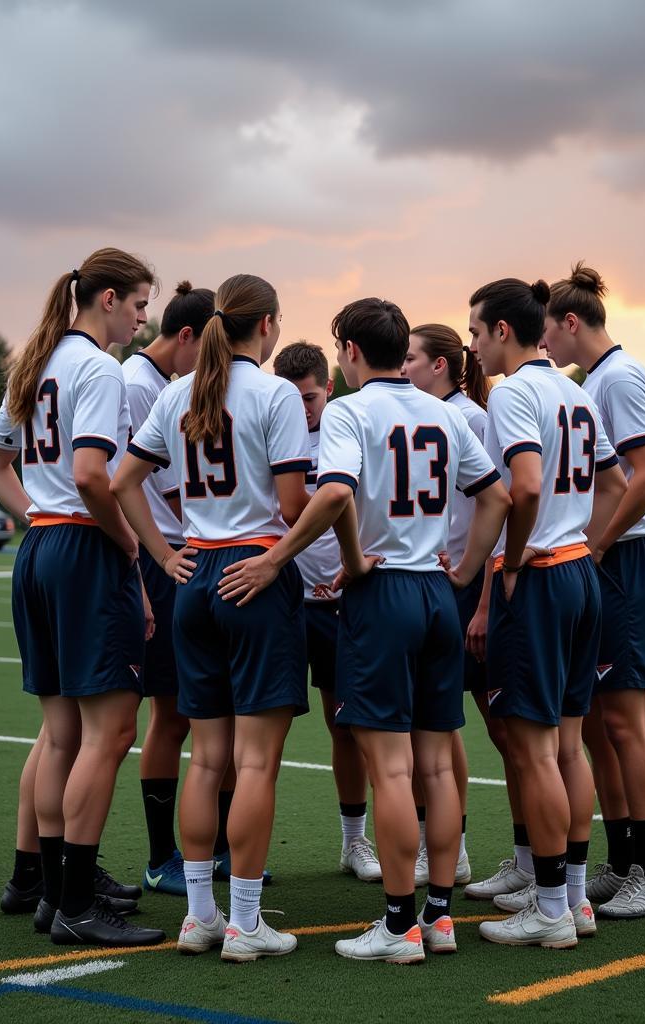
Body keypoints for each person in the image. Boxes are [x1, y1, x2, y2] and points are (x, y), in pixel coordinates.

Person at [218, 297, 511, 963]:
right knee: (437, 763)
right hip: (437, 592)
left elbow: (335, 492)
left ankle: (400, 925)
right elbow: (496, 495)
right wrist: (464, 572)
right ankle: (437, 917)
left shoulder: (350, 409)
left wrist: (285, 559)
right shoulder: (442, 409)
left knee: (392, 767)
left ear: (349, 351)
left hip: (382, 595)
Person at [113, 273, 310, 963]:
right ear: (267, 324)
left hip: (196, 576)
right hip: (253, 575)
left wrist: (164, 554)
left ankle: (200, 916)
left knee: (207, 761)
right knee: (255, 763)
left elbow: (121, 481)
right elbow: (291, 505)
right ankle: (246, 923)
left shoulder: (177, 390)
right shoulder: (275, 392)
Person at [0, 247, 165, 947]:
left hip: (41, 550)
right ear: (109, 298)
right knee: (111, 732)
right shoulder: (98, 368)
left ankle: (55, 894)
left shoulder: (39, 359)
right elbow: (93, 475)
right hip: (84, 550)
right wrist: (126, 543)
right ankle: (78, 905)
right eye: (140, 304)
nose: (143, 319)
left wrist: (35, 513)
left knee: (62, 734)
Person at [467, 276, 626, 950]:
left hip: (539, 579)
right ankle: (576, 901)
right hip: (579, 576)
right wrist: (582, 544)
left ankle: (554, 909)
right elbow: (616, 484)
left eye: (476, 332)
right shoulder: (575, 390)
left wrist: (516, 552)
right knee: (566, 743)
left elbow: (524, 485)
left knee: (534, 752)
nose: (473, 346)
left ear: (504, 330)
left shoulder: (515, 394)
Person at [542, 262, 645, 921]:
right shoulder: (594, 381)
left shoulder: (617, 378)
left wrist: (595, 544)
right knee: (595, 723)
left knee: (624, 721)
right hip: (603, 560)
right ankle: (622, 862)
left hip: (624, 559)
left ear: (571, 323)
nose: (545, 347)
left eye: (549, 333)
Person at [273, 341, 382, 884]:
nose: (302, 409)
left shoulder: (347, 426)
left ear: (329, 387)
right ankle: (230, 848)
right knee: (262, 726)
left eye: (310, 397)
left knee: (349, 725)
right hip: (287, 596)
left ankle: (354, 840)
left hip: (344, 598)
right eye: (292, 400)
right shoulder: (273, 428)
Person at [122, 281, 214, 897]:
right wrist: (147, 565)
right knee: (170, 713)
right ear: (187, 338)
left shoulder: (163, 382)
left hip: (183, 552)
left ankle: (211, 845)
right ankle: (161, 857)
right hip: (160, 557)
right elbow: (115, 482)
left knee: (193, 711)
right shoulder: (134, 383)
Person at [402, 323, 496, 888]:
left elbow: (496, 505)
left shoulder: (470, 418)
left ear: (441, 365)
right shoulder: (429, 414)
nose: (404, 366)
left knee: (458, 723)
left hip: (460, 583)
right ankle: (446, 843)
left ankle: (461, 845)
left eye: (412, 357)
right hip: (434, 583)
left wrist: (476, 586)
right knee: (437, 725)